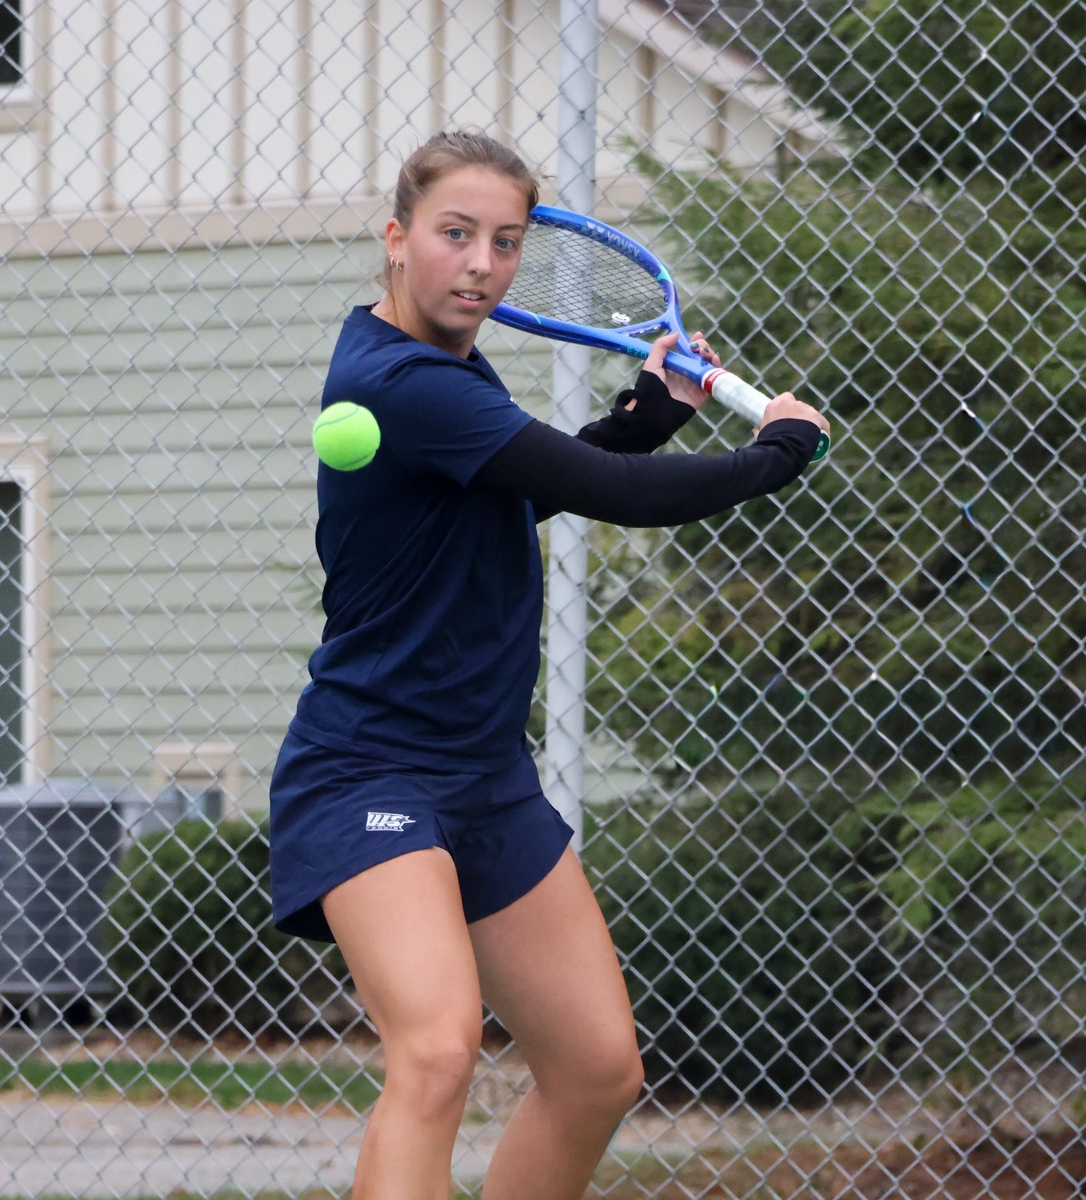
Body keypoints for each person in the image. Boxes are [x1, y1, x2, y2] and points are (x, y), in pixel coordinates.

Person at [269, 129, 828, 1200]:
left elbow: (533, 479)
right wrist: (772, 455)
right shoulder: (399, 381)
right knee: (434, 1052)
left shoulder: (447, 373)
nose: (483, 264)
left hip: (483, 776)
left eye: (507, 242)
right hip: (367, 772)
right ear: (397, 240)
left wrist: (644, 418)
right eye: (456, 234)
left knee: (597, 1071)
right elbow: (611, 496)